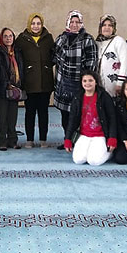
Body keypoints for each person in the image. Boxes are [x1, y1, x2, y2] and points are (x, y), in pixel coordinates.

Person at [53, 10, 98, 150]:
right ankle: (67, 140)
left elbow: (92, 63)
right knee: (65, 115)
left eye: (77, 22)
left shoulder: (87, 39)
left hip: (79, 85)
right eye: (71, 22)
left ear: (81, 23)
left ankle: (78, 141)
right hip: (62, 83)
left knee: (78, 115)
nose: (74, 25)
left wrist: (87, 82)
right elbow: (54, 57)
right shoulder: (61, 38)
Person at [15, 13, 54, 148]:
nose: (36, 26)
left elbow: (53, 56)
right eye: (33, 23)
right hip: (29, 83)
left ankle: (43, 139)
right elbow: (18, 59)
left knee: (43, 113)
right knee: (29, 113)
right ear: (29, 24)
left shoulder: (48, 38)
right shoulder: (22, 39)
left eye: (38, 23)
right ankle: (29, 139)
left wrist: (47, 66)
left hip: (45, 83)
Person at [63, 70, 117, 165]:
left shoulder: (104, 96)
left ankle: (109, 153)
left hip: (100, 135)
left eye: (90, 80)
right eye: (85, 81)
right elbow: (72, 120)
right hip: (84, 135)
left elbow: (112, 118)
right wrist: (68, 139)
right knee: (78, 160)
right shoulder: (77, 98)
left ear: (96, 82)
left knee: (94, 161)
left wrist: (112, 138)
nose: (87, 83)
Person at [0, 28, 24, 150]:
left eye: (10, 36)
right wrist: (7, 84)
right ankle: (2, 141)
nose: (8, 38)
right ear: (1, 38)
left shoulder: (17, 52)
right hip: (2, 89)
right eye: (5, 36)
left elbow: (21, 68)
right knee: (2, 117)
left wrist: (18, 84)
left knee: (12, 117)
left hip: (15, 89)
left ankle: (12, 140)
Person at [95, 14, 127, 97]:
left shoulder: (119, 41)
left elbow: (125, 62)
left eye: (110, 25)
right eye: (104, 25)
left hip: (114, 84)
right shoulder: (97, 42)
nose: (107, 28)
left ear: (114, 28)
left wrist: (120, 82)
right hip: (98, 85)